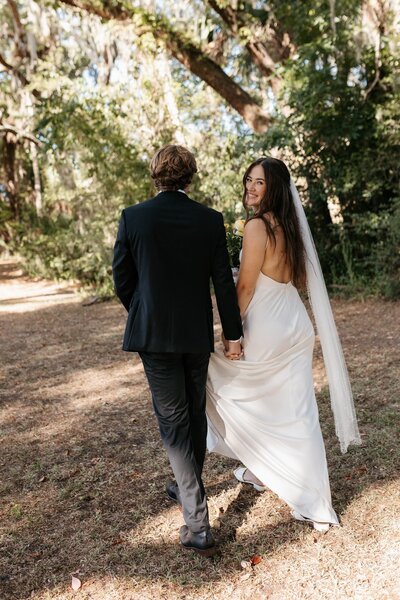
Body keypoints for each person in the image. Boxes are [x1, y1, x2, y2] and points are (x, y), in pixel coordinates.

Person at [206, 157, 361, 531]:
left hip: (268, 325)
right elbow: (277, 274)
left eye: (259, 182)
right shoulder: (290, 226)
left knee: (221, 381)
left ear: (274, 187)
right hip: (294, 322)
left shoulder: (257, 225)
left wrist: (232, 334)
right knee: (295, 410)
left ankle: (308, 498)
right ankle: (269, 474)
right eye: (249, 180)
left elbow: (245, 286)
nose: (251, 187)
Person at [112, 145, 243, 556]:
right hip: (194, 332)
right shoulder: (209, 220)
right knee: (192, 409)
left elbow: (122, 277)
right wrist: (232, 334)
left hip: (154, 334)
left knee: (173, 420)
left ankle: (198, 524)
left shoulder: (134, 217)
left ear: (156, 175)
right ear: (191, 177)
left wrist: (143, 309)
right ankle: (185, 487)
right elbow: (223, 283)